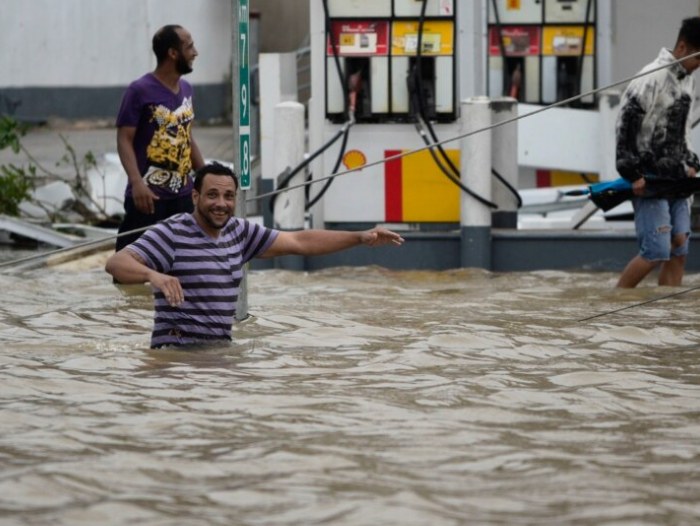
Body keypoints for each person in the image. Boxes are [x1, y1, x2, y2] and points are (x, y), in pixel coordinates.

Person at [105, 163, 405, 348]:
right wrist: (152, 274)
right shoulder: (172, 233)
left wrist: (359, 237)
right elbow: (116, 263)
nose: (220, 203)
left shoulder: (239, 232)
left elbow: (299, 241)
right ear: (195, 197)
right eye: (212, 195)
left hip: (218, 352)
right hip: (176, 359)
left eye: (228, 196)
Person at [616, 17, 700, 288]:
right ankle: (616, 300)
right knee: (655, 250)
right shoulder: (651, 76)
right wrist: (631, 172)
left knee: (679, 248)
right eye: (698, 57)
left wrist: (691, 161)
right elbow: (625, 123)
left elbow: (684, 129)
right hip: (648, 177)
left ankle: (666, 315)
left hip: (678, 176)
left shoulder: (690, 81)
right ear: (682, 48)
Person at [114, 24, 206, 251]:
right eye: (189, 46)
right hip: (148, 198)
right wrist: (136, 183)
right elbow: (124, 138)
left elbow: (187, 136)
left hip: (183, 197)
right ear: (172, 53)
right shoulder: (139, 90)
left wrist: (205, 177)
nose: (195, 52)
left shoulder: (186, 89)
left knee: (183, 269)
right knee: (130, 271)